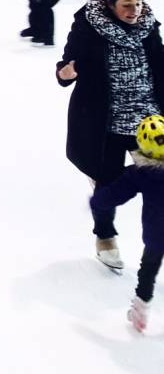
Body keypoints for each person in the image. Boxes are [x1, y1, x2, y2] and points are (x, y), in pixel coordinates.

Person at [57, 0, 163, 273]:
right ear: (109, 3)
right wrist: (66, 73)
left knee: (158, 182)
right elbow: (67, 64)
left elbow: (160, 63)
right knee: (108, 184)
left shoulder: (148, 26)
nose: (134, 10)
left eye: (138, 4)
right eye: (127, 5)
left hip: (148, 120)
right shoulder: (88, 28)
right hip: (107, 121)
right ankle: (105, 237)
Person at [91, 115, 164, 331]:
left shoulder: (141, 173)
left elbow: (115, 194)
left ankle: (140, 308)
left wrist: (96, 200)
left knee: (148, 271)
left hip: (157, 236)